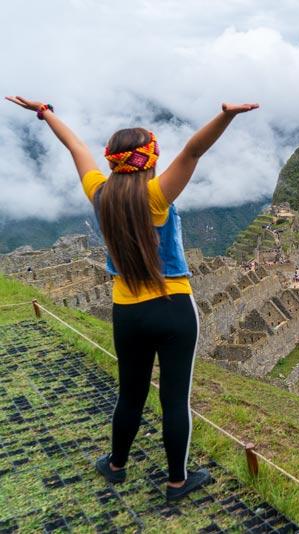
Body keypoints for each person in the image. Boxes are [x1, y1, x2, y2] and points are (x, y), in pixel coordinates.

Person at [5, 95, 259, 501]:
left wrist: (45, 113)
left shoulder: (100, 195)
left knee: (130, 393)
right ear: (151, 160)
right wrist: (225, 117)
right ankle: (177, 481)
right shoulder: (157, 197)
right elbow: (194, 151)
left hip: (126, 311)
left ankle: (116, 464)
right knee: (175, 399)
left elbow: (76, 147)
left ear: (112, 162)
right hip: (174, 308)